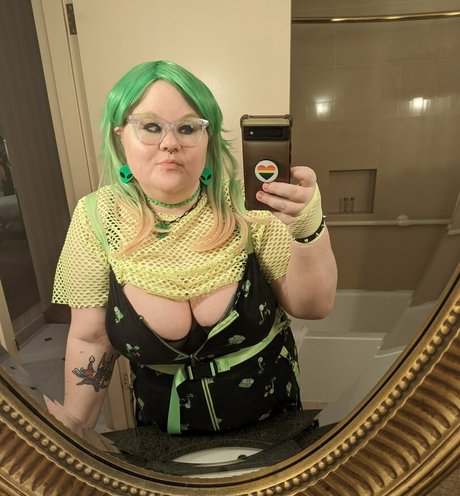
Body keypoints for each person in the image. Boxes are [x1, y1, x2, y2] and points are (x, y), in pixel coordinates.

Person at [46, 60, 337, 437]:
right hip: (164, 437)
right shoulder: (96, 218)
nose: (170, 143)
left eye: (187, 128)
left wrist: (308, 228)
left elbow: (312, 307)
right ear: (120, 136)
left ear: (208, 138)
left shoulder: (250, 204)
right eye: (151, 127)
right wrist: (73, 432)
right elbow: (91, 338)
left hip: (273, 422)